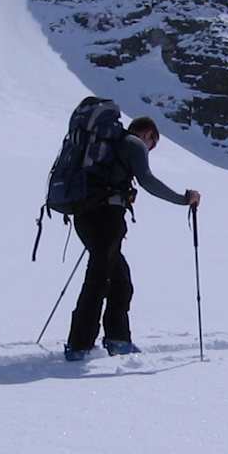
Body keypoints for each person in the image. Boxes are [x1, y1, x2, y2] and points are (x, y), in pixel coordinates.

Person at [65, 116, 201, 361]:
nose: (150, 149)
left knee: (118, 279)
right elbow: (147, 180)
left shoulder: (107, 147)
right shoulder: (133, 144)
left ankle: (116, 339)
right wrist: (183, 199)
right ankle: (80, 345)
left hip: (84, 217)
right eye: (153, 143)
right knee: (99, 280)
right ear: (148, 133)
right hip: (106, 219)